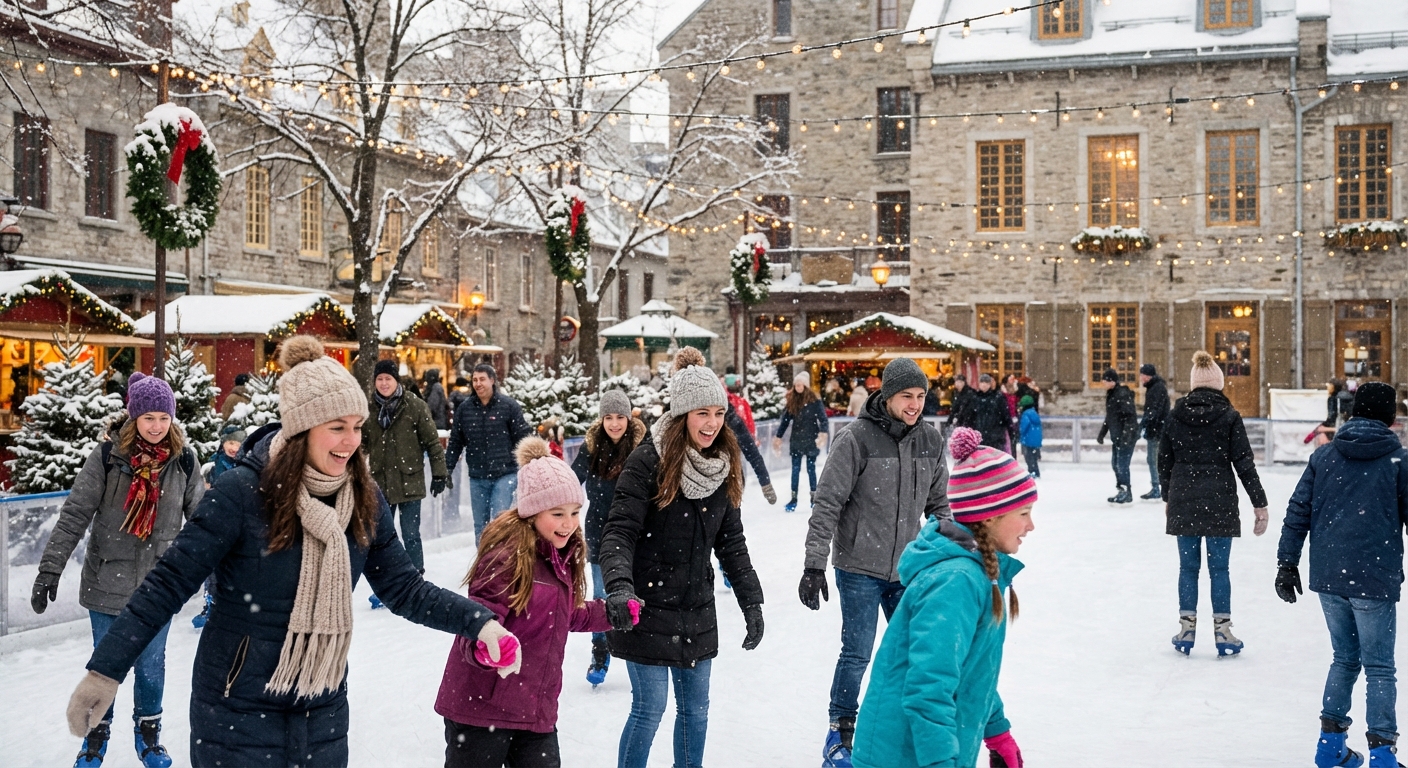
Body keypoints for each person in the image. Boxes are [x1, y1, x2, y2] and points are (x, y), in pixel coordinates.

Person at [63, 336, 515, 768]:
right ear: (301, 430)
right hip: (234, 709)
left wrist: (478, 623)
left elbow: (404, 588)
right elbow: (167, 584)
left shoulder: (364, 496)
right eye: (336, 428)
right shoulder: (242, 492)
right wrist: (106, 670)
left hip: (321, 707)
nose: (350, 441)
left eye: (356, 427)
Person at [599, 346, 765, 768]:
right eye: (701, 414)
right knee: (650, 708)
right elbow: (618, 531)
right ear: (681, 416)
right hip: (646, 604)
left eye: (717, 413)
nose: (712, 424)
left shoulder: (724, 464)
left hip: (695, 605)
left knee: (695, 711)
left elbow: (731, 540)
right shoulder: (648, 462)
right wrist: (618, 587)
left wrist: (751, 600)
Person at [34, 373, 204, 768]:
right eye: (149, 418)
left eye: (164, 417)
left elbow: (203, 523)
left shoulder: (184, 461)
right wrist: (49, 570)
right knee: (105, 664)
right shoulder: (109, 457)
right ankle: (95, 740)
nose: (157, 426)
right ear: (134, 418)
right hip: (106, 581)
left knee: (150, 667)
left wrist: (220, 576)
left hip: (159, 586)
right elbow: (75, 513)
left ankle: (149, 738)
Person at [800, 357, 957, 768]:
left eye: (921, 396)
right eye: (907, 396)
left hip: (908, 569)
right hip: (859, 568)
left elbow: (940, 507)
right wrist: (814, 563)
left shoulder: (930, 441)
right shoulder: (855, 439)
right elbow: (827, 502)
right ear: (887, 395)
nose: (915, 405)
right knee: (857, 653)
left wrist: (951, 561)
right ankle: (841, 731)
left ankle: (903, 730)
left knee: (916, 652)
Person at [852, 427, 1033, 768]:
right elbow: (928, 691)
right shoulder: (956, 581)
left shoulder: (980, 573)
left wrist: (997, 732)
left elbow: (969, 669)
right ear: (990, 516)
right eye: (1023, 514)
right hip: (903, 757)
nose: (1031, 526)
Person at [436, 436, 614, 767]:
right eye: (558, 513)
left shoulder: (559, 556)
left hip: (534, 708)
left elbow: (563, 614)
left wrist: (609, 613)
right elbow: (476, 624)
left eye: (575, 512)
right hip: (482, 708)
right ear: (532, 513)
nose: (569, 524)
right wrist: (487, 649)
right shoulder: (506, 557)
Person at [1276, 381, 1408, 768]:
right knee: (1379, 667)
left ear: (1351, 414)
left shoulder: (1325, 457)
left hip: (1331, 574)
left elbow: (1297, 511)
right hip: (1374, 575)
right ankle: (1383, 754)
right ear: (1391, 419)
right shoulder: (1398, 460)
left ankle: (1330, 746)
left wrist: (1287, 564)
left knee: (1345, 660)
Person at [1158, 351, 1268, 657]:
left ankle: (1186, 627)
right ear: (1219, 385)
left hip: (1184, 500)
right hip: (1220, 500)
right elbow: (1244, 463)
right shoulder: (1229, 416)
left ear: (1193, 385)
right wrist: (1259, 504)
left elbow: (1163, 462)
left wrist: (1168, 496)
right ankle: (1223, 631)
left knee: (1188, 568)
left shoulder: (1175, 416)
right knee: (1220, 569)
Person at [571, 389, 648, 686]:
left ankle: (638, 651)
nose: (614, 424)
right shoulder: (592, 447)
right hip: (600, 532)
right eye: (608, 418)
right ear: (601, 419)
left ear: (628, 418)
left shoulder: (642, 447)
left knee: (636, 593)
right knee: (602, 596)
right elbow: (571, 481)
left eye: (620, 417)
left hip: (636, 532)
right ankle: (600, 651)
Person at [365, 358, 450, 611]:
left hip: (409, 479)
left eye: (387, 379)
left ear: (396, 381)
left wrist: (439, 474)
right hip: (380, 482)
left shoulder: (414, 405)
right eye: (379, 379)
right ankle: (385, 586)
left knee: (411, 534)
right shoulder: (368, 408)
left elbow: (432, 443)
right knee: (382, 537)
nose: (383, 383)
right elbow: (360, 443)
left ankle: (415, 582)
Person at [447, 363, 534, 540]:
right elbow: (456, 441)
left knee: (499, 522)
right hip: (477, 476)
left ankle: (501, 563)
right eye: (475, 380)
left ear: (492, 380)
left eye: (482, 379)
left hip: (505, 473)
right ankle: (484, 564)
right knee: (480, 525)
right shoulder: (465, 409)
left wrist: (532, 463)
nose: (478, 383)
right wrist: (446, 468)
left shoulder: (508, 406)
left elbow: (522, 437)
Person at [774, 371, 830, 513]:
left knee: (811, 469)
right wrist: (778, 436)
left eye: (800, 384)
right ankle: (793, 498)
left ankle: (813, 498)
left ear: (805, 386)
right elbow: (785, 421)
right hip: (797, 440)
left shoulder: (814, 402)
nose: (798, 387)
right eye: (796, 385)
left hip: (811, 439)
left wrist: (823, 433)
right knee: (795, 470)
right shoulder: (792, 401)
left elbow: (823, 419)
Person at [1096, 368, 1140, 505]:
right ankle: (1121, 490)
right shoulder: (1112, 395)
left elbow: (1130, 417)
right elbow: (1110, 417)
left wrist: (1126, 438)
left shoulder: (1122, 394)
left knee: (1122, 465)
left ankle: (1127, 492)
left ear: (1112, 381)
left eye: (1105, 380)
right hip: (1117, 437)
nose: (1103, 382)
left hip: (1126, 437)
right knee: (1115, 464)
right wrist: (1102, 434)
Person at [1139, 363, 1170, 501]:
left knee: (1153, 459)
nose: (1140, 378)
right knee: (1154, 459)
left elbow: (1154, 411)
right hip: (1157, 429)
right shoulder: (1155, 387)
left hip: (1157, 430)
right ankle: (1158, 487)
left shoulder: (1156, 389)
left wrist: (1144, 424)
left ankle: (1157, 488)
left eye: (1142, 375)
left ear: (1147, 376)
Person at [967, 374, 1011, 452]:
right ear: (979, 384)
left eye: (986, 383)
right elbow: (969, 417)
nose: (984, 385)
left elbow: (1005, 416)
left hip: (995, 436)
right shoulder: (974, 398)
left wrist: (1007, 430)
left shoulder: (997, 397)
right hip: (978, 435)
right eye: (982, 382)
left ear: (990, 384)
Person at [1018, 395, 1042, 479]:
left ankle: (1032, 472)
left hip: (1028, 440)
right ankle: (1036, 471)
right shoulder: (1034, 413)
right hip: (1035, 441)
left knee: (1029, 458)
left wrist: (1019, 433)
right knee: (1034, 458)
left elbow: (1023, 427)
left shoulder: (1026, 415)